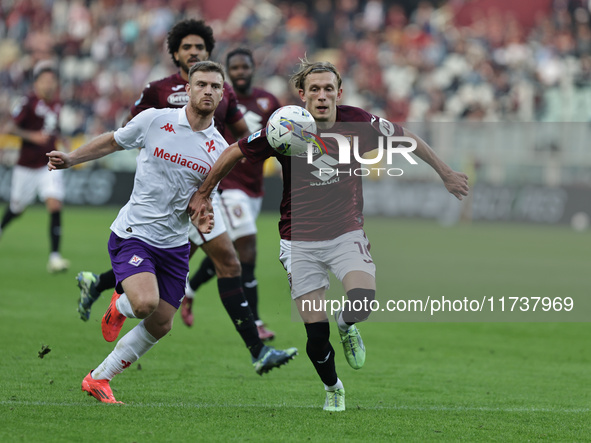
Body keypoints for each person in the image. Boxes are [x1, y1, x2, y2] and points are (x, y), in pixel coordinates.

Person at [187, 59, 469, 412]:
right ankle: (333, 387)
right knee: (315, 334)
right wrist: (204, 192)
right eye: (314, 90)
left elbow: (406, 137)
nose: (322, 96)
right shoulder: (285, 127)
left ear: (339, 92)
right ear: (302, 95)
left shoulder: (359, 122)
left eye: (328, 89)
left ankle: (347, 325)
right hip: (299, 240)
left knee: (363, 298)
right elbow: (233, 151)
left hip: (345, 231)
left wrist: (444, 173)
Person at [47, 61, 297, 404]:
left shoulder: (217, 149)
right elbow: (113, 142)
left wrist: (204, 216)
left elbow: (205, 200)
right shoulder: (156, 120)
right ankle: (121, 304)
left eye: (215, 87)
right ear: (189, 90)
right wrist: (72, 159)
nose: (208, 91)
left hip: (175, 244)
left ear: (222, 95)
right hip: (135, 231)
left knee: (162, 323)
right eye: (202, 84)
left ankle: (99, 378)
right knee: (146, 302)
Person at [75, 20, 270, 347]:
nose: (194, 52)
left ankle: (257, 347)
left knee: (221, 258)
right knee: (205, 256)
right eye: (187, 47)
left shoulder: (223, 91)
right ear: (176, 54)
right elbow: (130, 130)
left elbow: (239, 136)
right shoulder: (158, 90)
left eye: (200, 47)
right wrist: (166, 157)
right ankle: (256, 344)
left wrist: (263, 148)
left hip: (207, 191)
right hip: (169, 192)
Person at [180, 48, 281, 341]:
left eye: (243, 67)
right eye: (233, 67)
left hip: (254, 188)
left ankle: (186, 288)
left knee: (221, 251)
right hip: (227, 186)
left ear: (251, 69)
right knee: (247, 250)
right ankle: (257, 322)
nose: (239, 72)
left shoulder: (268, 101)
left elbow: (280, 138)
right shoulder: (219, 102)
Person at [0, 60, 70, 273]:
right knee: (17, 208)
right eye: (45, 80)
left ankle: (55, 257)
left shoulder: (56, 104)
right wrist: (32, 136)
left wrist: (62, 141)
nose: (49, 84)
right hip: (26, 167)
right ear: (37, 83)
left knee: (54, 203)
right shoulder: (27, 102)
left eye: (52, 80)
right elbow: (9, 127)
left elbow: (52, 129)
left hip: (48, 165)